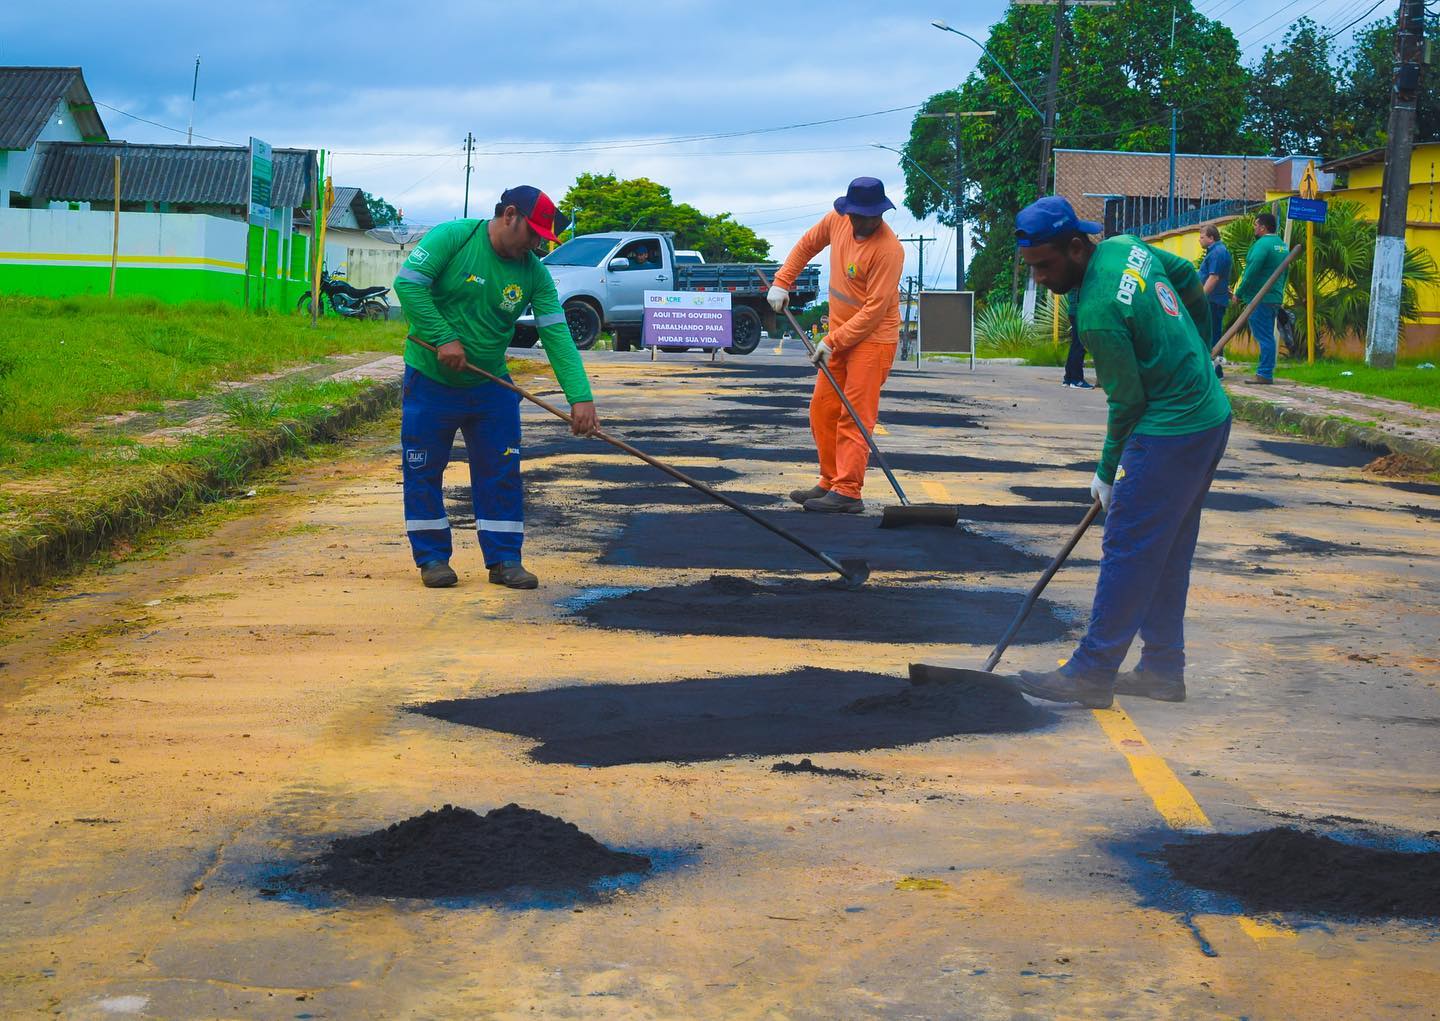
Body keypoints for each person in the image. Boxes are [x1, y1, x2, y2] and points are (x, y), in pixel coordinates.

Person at [1010, 196, 1232, 709]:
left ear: (1075, 247)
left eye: (1045, 266)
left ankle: (1092, 671)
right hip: (1209, 418)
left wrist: (1107, 472)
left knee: (1129, 548)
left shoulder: (1096, 313)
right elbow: (1186, 279)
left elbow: (1128, 402)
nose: (1039, 278)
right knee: (1167, 548)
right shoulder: (1126, 247)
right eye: (1032, 268)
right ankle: (1161, 668)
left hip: (1169, 431)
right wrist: (1198, 348)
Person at [393, 186, 600, 590]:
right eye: (534, 233)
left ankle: (504, 559)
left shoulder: (534, 273)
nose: (537, 244)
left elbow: (556, 335)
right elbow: (409, 285)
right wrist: (442, 337)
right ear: (510, 215)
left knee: (500, 471)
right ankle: (432, 558)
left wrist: (581, 397)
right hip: (430, 381)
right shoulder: (454, 238)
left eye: (544, 237)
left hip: (490, 386)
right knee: (423, 469)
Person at [768, 177, 904, 513]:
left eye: (868, 215)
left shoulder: (889, 250)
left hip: (873, 340)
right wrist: (782, 282)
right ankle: (830, 480)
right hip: (840, 336)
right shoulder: (837, 220)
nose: (860, 221)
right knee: (823, 409)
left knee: (854, 416)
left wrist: (833, 340)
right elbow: (807, 245)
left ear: (880, 214)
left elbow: (873, 312)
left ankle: (848, 492)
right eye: (856, 214)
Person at [1232, 212, 1288, 385]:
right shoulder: (1282, 245)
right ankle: (1265, 372)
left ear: (1263, 227)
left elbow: (1251, 271)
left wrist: (1239, 293)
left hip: (1259, 298)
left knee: (1264, 337)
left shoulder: (1262, 245)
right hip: (1274, 297)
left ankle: (1264, 373)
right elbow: (1285, 273)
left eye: (1256, 225)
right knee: (1267, 336)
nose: (1254, 228)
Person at [1197, 223, 1232, 355]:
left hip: (1213, 300)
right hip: (1214, 299)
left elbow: (1214, 278)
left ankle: (1216, 371)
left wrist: (1201, 297)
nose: (1199, 239)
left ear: (1211, 238)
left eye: (1202, 237)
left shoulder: (1217, 252)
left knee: (1213, 335)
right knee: (1211, 333)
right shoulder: (1216, 251)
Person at [1061, 294, 1093, 389]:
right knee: (1080, 346)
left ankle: (1068, 378)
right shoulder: (1081, 279)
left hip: (1074, 311)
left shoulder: (1073, 279)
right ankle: (1077, 380)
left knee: (1075, 345)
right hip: (1080, 311)